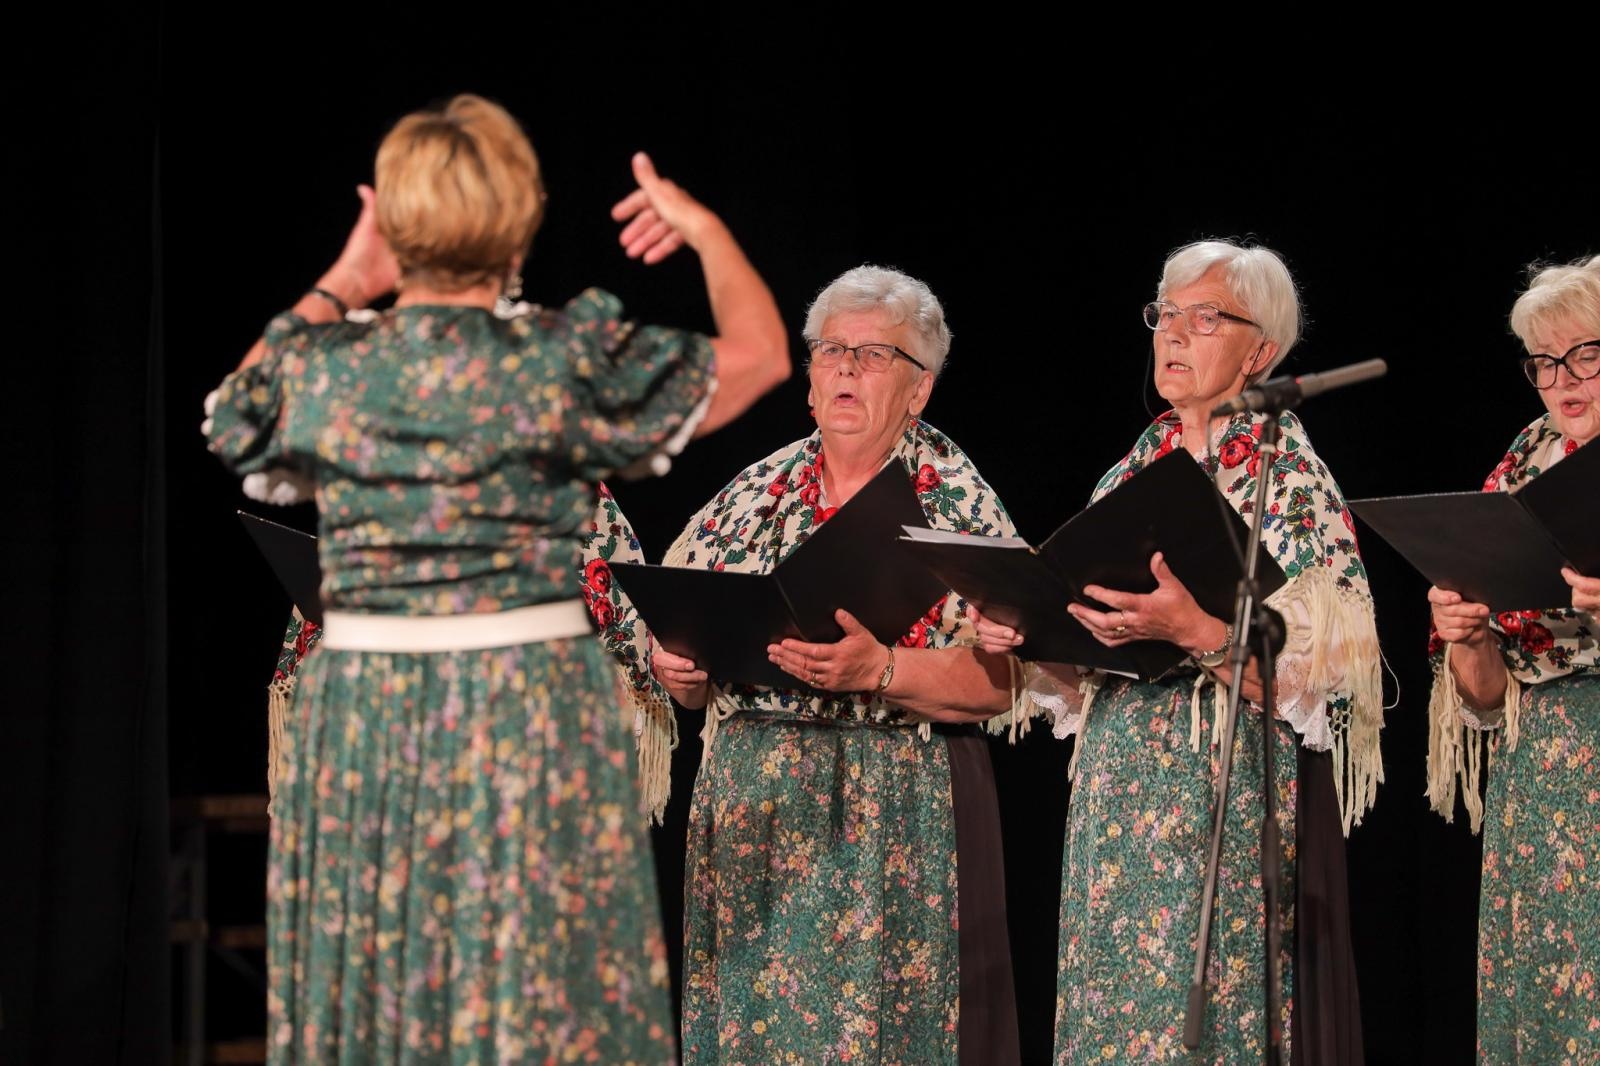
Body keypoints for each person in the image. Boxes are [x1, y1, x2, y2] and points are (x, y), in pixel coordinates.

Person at [204, 93, 789, 1063]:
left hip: (371, 717)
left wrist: (348, 276)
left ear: (396, 219)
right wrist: (704, 228)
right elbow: (763, 354)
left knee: (392, 990)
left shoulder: (334, 366)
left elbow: (233, 412)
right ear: (519, 221)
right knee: (537, 993)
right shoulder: (559, 360)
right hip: (529, 711)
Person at [974, 240, 1382, 1063]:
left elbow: (1325, 683)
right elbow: (1086, 666)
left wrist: (1197, 630)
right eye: (1166, 315)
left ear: (1259, 351)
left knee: (1206, 1032)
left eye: (1205, 319)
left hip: (1220, 792)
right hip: (1116, 796)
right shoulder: (1135, 467)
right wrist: (1030, 638)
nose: (1174, 335)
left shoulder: (1288, 476)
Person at [645, 265, 1024, 1064]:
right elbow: (683, 640)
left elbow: (1006, 684)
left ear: (919, 390)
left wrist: (883, 670)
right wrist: (679, 671)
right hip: (755, 827)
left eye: (875, 355)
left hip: (890, 817)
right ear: (810, 378)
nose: (847, 369)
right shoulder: (751, 494)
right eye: (830, 351)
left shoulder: (956, 505)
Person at [1425, 256, 1599, 1065]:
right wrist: (1467, 634)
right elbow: (1488, 702)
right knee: (1542, 1005)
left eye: (1586, 355)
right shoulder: (1527, 461)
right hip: (1541, 780)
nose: (1563, 381)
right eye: (1544, 363)